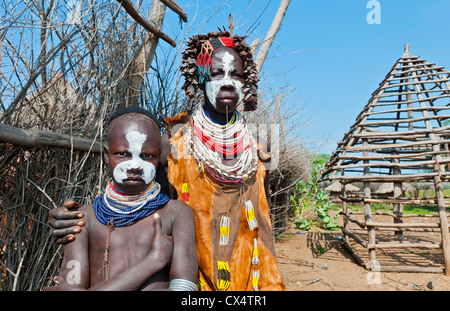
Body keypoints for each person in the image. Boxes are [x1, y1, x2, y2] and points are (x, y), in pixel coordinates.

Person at [48, 30, 285, 291]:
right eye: (217, 73)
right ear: (199, 77)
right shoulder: (172, 144)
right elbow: (137, 201)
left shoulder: (258, 148)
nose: (228, 82)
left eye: (236, 75)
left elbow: (260, 221)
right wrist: (72, 219)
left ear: (246, 81)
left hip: (252, 279)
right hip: (196, 279)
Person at [47, 107, 198, 291]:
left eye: (146, 156)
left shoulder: (176, 212)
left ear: (159, 157)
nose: (135, 165)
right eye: (123, 154)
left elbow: (184, 289)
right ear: (105, 154)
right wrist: (155, 259)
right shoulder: (83, 218)